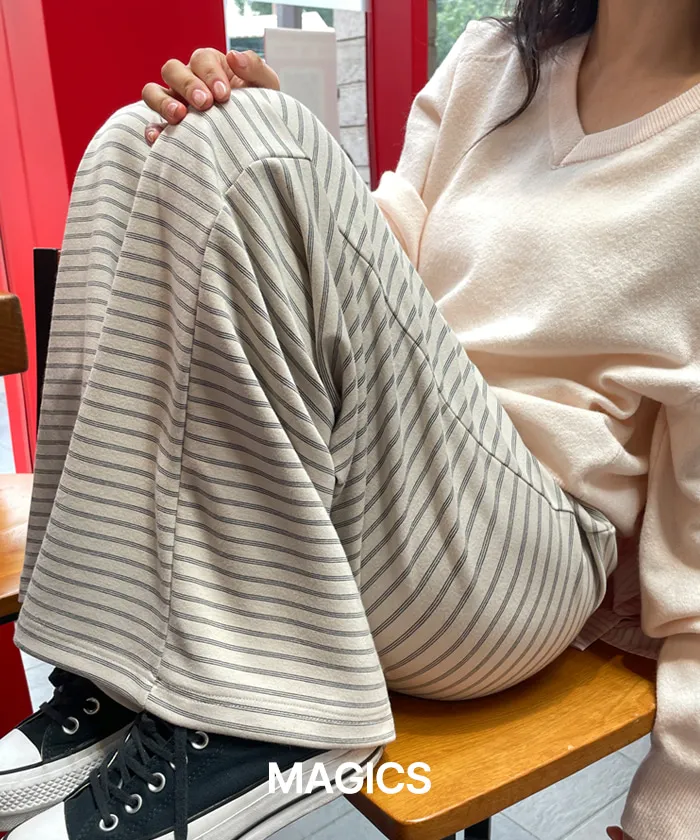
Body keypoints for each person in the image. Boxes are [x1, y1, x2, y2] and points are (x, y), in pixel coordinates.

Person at [1, 0, 699, 837]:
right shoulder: (494, 63)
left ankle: (263, 722)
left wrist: (673, 817)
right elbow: (385, 273)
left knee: (249, 139)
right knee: (143, 137)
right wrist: (278, 179)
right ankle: (119, 675)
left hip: (511, 569)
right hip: (384, 500)